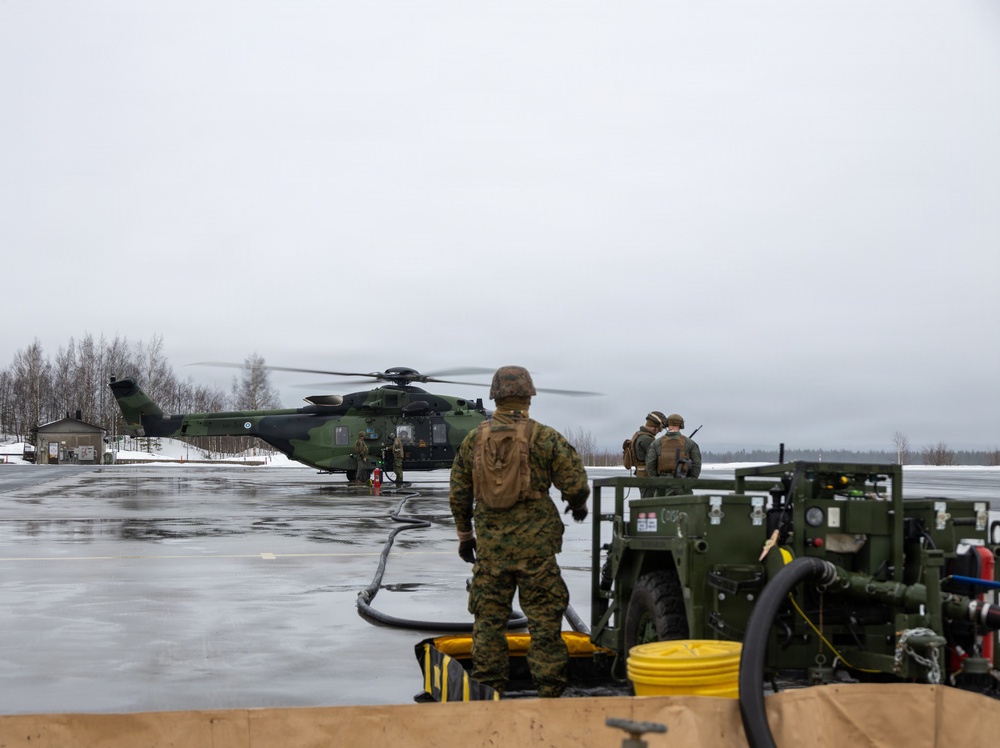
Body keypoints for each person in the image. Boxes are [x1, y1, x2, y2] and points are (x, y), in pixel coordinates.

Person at [449, 365, 590, 698]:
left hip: (491, 551)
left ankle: (488, 690)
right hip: (537, 551)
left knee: (487, 623)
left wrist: (465, 536)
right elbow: (575, 482)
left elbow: (458, 492)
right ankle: (550, 691)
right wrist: (578, 504)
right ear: (529, 396)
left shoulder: (474, 439)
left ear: (495, 396)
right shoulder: (545, 436)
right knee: (544, 623)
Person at [645, 414, 702, 490]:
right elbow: (697, 464)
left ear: (667, 424)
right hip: (683, 483)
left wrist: (657, 481)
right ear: (681, 425)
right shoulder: (691, 443)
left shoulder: (656, 443)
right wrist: (690, 482)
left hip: (663, 483)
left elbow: (650, 464)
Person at [627, 411, 668, 497]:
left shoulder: (639, 435)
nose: (660, 431)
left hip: (643, 474)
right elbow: (659, 457)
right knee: (648, 503)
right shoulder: (646, 439)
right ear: (655, 426)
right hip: (648, 476)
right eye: (660, 428)